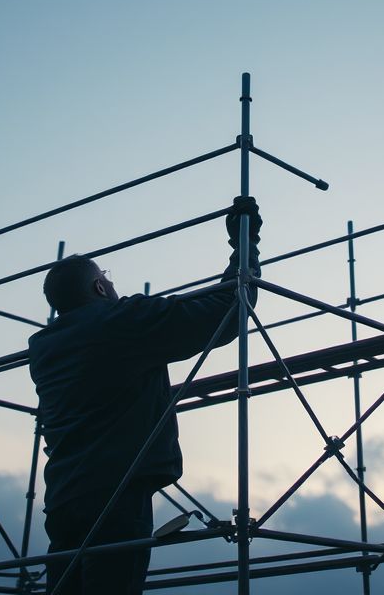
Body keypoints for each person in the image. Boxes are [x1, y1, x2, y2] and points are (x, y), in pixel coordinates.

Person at [27, 196, 261, 595]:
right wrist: (245, 242)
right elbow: (227, 308)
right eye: (107, 277)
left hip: (64, 496)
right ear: (99, 286)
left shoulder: (43, 348)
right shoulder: (119, 323)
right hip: (115, 494)